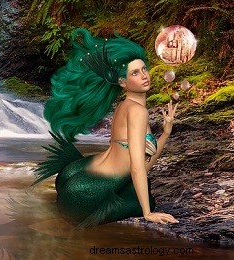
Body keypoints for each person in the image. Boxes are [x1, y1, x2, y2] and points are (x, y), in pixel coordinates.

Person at [33, 28, 179, 227]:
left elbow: (142, 160)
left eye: (144, 69)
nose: (144, 76)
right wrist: (147, 212)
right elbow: (137, 168)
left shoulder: (125, 106)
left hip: (77, 174)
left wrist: (167, 132)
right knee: (144, 198)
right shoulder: (137, 111)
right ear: (122, 81)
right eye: (135, 73)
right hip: (88, 195)